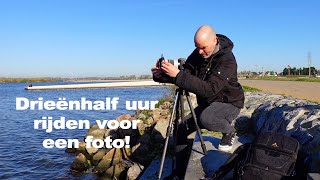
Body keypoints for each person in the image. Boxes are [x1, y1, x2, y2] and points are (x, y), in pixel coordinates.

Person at [151, 25, 245, 179]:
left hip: (230, 103)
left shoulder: (227, 60)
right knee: (181, 128)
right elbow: (185, 74)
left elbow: (209, 89)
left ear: (214, 41)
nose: (200, 52)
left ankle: (229, 131)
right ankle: (179, 173)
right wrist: (161, 75)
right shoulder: (198, 53)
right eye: (197, 47)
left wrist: (179, 75)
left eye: (203, 48)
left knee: (207, 118)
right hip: (208, 104)